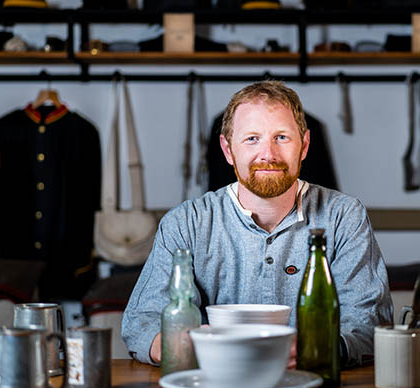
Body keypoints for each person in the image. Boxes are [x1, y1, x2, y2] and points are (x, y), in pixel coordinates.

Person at [121, 80, 393, 368]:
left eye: (282, 138)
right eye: (252, 138)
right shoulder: (185, 224)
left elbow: (370, 323)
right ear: (228, 150)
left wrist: (317, 347)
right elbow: (142, 321)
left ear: (304, 146)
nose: (268, 155)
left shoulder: (344, 218)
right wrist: (173, 344)